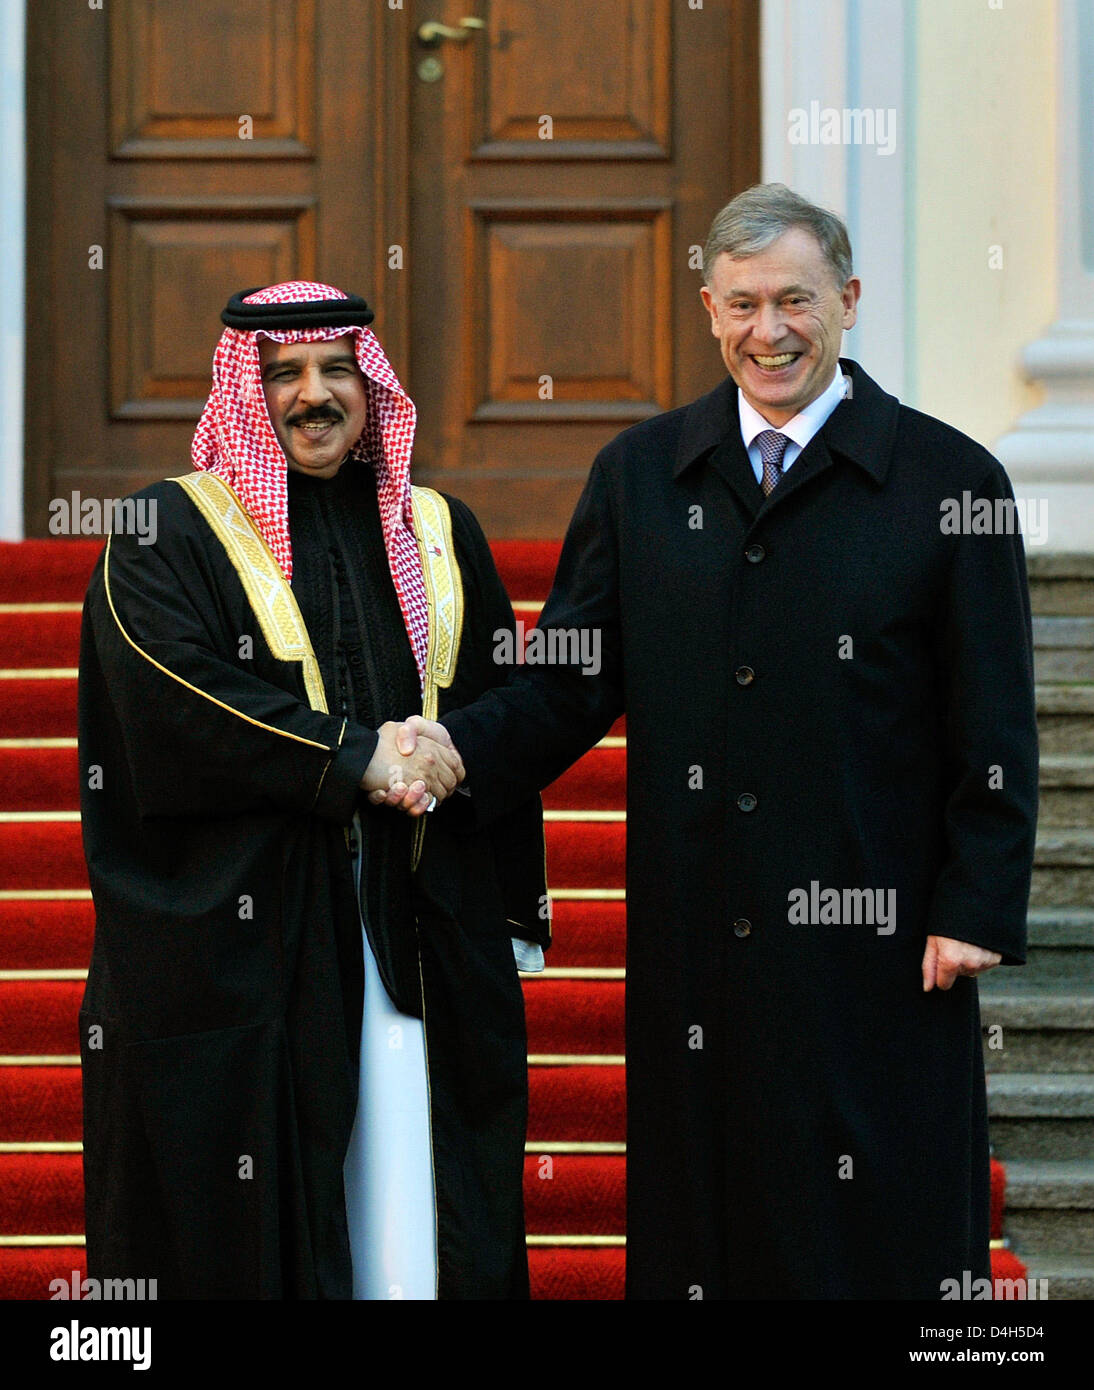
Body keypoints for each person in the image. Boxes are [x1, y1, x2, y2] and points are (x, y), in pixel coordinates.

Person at [383, 185, 1039, 1299]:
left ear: (848, 299)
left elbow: (992, 712)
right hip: (700, 941)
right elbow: (566, 684)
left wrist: (973, 900)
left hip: (871, 938)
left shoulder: (949, 482)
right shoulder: (640, 476)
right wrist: (449, 751)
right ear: (706, 308)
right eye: (740, 305)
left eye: (794, 299)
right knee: (706, 1218)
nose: (767, 330)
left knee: (871, 1220)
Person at [77, 280, 548, 1300]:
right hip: (252, 936)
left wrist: (510, 890)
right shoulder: (170, 529)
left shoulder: (437, 529)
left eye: (337, 369)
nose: (314, 394)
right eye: (284, 374)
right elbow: (177, 700)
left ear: (370, 386)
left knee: (416, 1215)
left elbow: (498, 710)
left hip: (416, 926)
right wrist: (350, 760)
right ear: (245, 392)